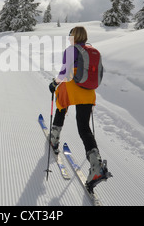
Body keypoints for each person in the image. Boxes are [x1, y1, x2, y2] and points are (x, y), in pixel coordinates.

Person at [48, 26, 106, 187]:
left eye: (70, 35)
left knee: (61, 107)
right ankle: (96, 165)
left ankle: (54, 139)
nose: (68, 38)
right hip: (88, 91)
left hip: (71, 86)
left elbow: (64, 72)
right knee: (84, 127)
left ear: (73, 36)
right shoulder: (92, 51)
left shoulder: (71, 50)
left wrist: (54, 84)